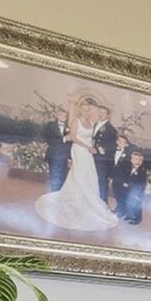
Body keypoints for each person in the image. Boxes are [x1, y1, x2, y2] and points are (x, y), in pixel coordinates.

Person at [34, 98, 126, 236]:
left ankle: (87, 201)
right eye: (84, 110)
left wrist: (93, 148)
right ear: (80, 110)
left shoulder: (92, 123)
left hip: (88, 153)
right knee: (79, 174)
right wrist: (86, 147)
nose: (86, 112)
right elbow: (73, 137)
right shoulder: (75, 121)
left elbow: (94, 140)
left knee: (88, 175)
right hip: (78, 149)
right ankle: (75, 200)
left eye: (88, 110)